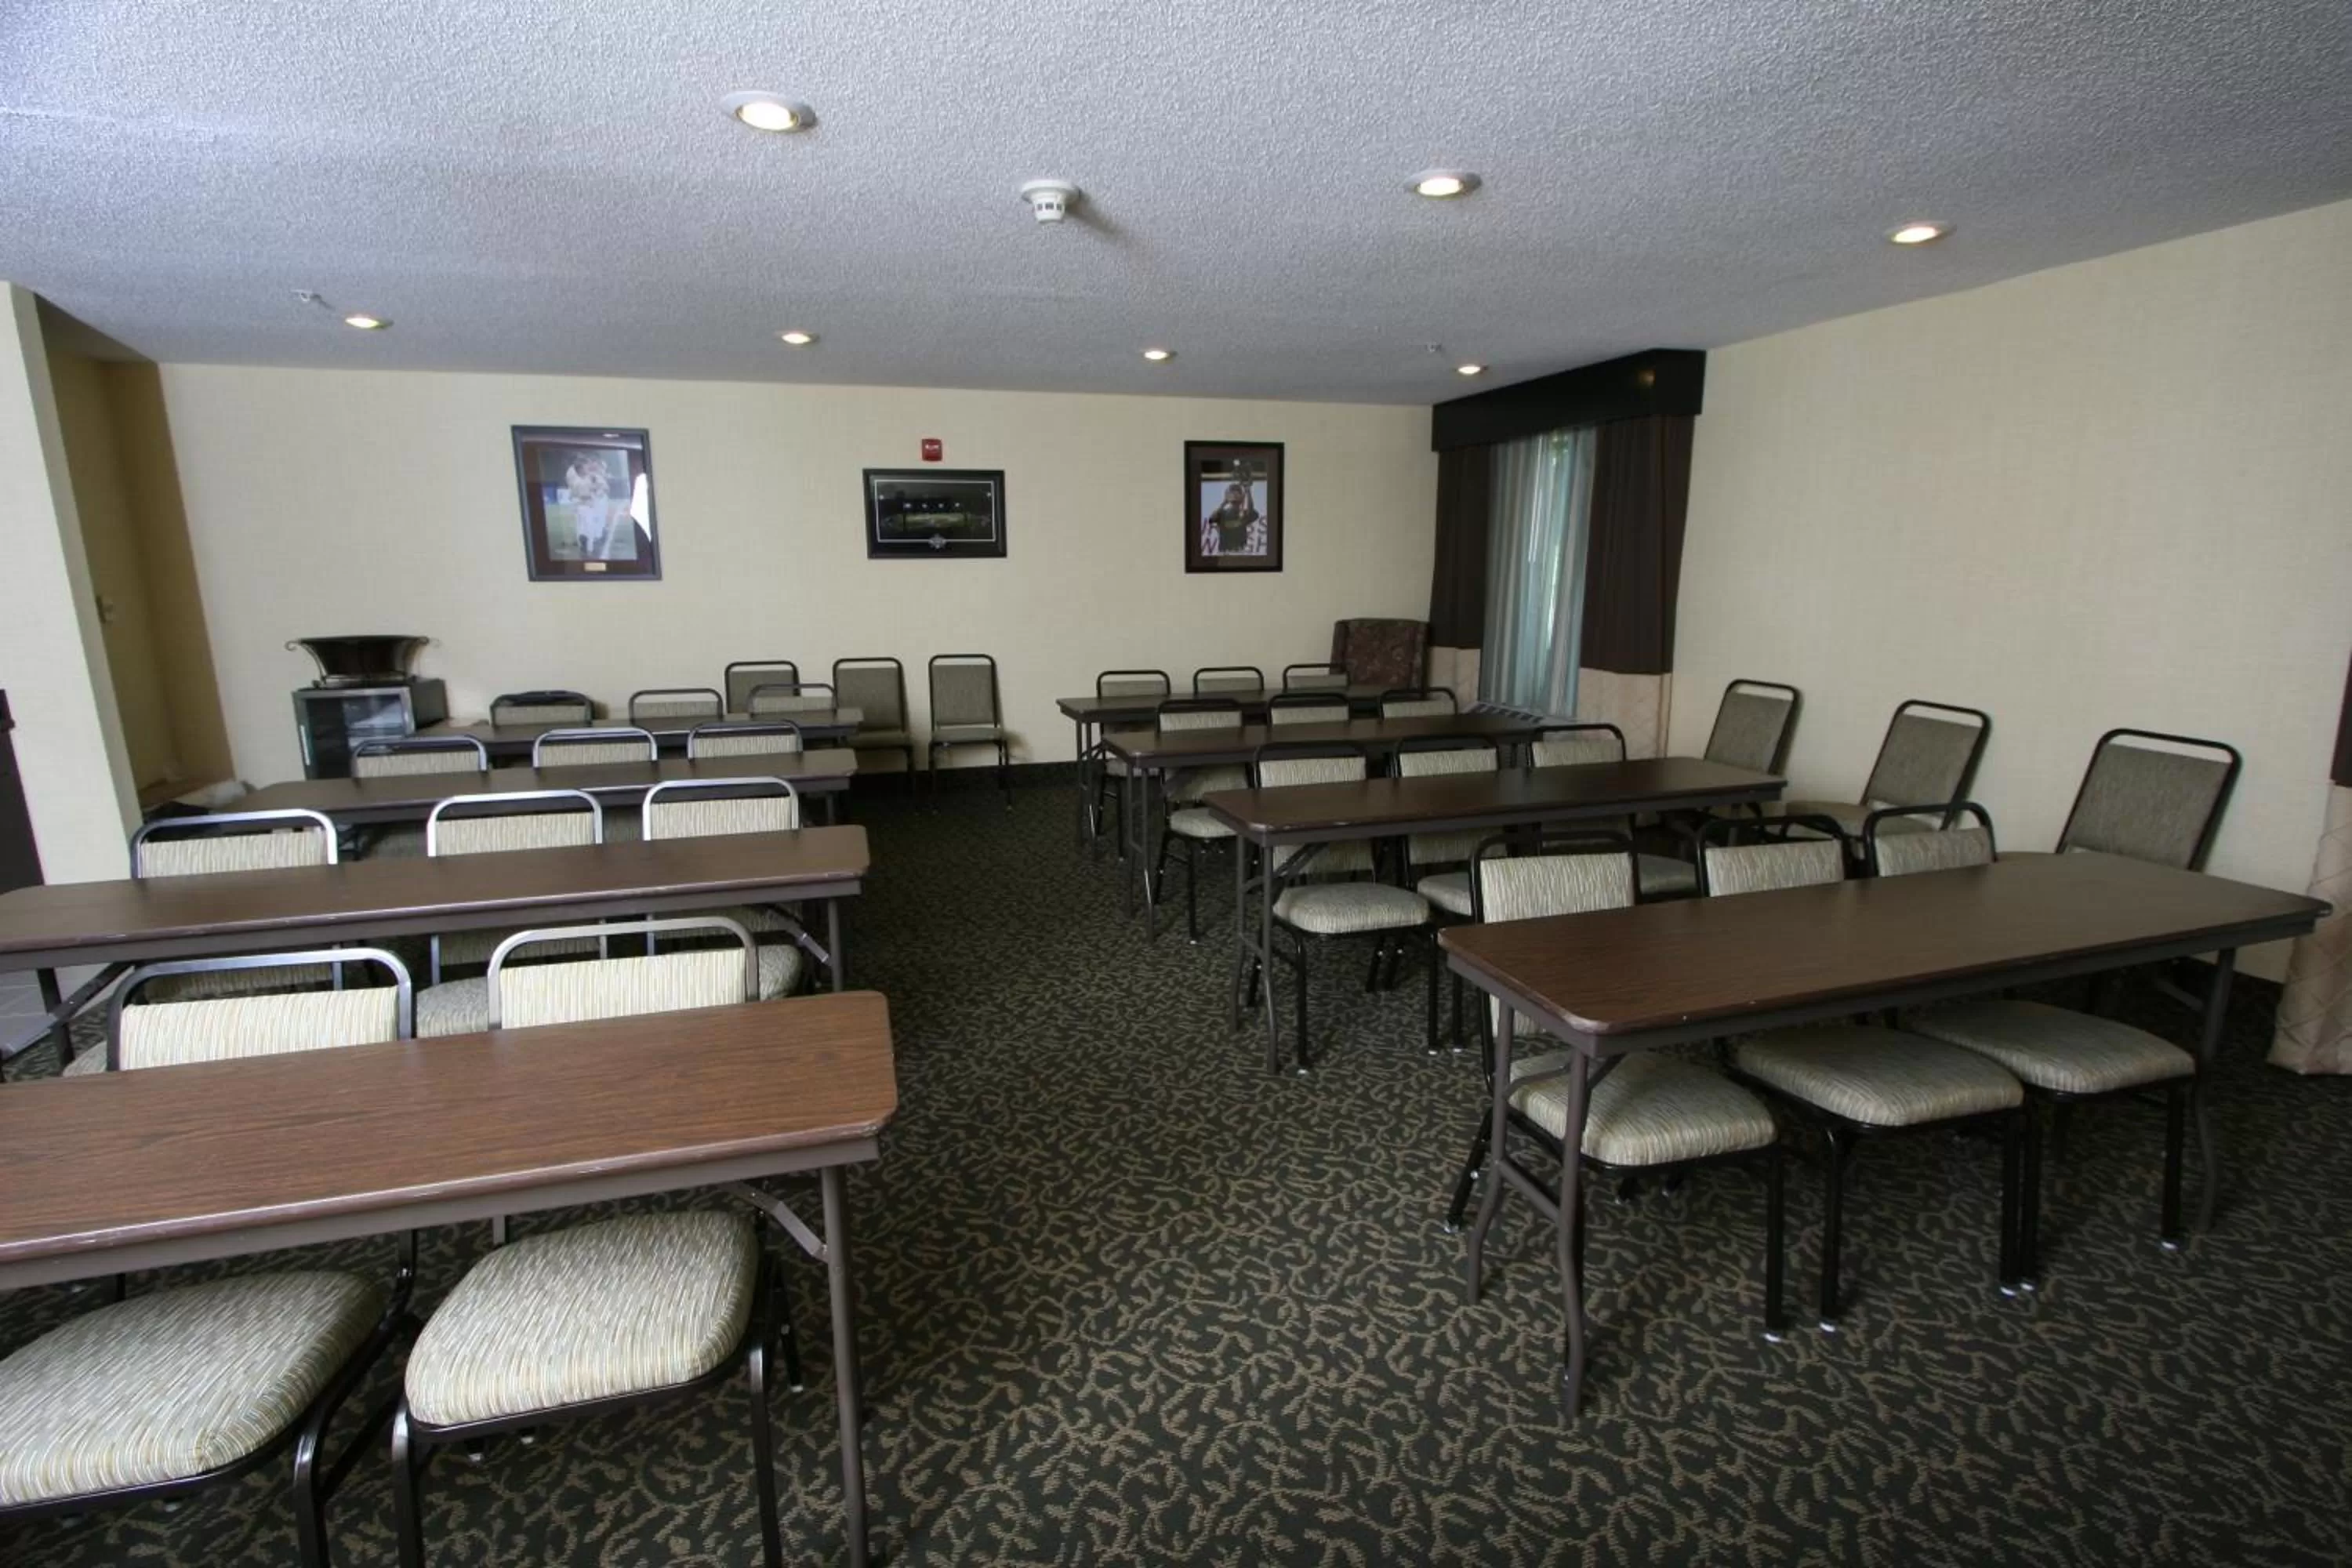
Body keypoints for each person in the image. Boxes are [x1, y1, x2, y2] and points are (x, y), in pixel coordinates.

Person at [1200, 481, 1267, 557]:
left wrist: (1248, 491)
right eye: (1232, 494)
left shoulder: (1244, 514)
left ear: (1241, 498)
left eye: (1237, 494)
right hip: (1224, 553)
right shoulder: (1223, 513)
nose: (1235, 496)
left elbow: (1250, 510)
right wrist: (1224, 502)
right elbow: (1211, 519)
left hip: (1241, 552)